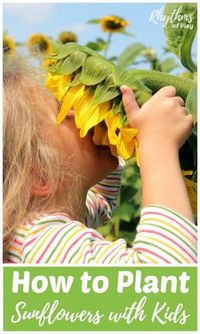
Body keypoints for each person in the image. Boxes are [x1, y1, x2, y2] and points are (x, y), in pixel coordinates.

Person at [3, 56, 197, 264]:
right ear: (41, 174)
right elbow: (167, 279)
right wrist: (158, 144)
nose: (77, 112)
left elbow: (101, 200)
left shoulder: (40, 217)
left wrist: (110, 126)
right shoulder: (40, 244)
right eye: (62, 111)